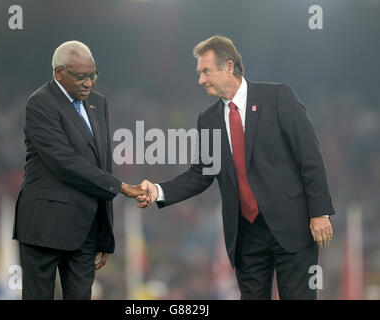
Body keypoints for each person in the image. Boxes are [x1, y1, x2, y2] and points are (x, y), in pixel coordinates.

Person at [137, 35, 334, 300]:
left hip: (293, 226)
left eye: (206, 71)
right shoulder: (208, 119)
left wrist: (320, 212)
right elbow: (200, 175)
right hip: (246, 235)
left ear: (229, 67)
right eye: (199, 73)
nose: (200, 80)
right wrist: (157, 191)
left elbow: (309, 155)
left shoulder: (277, 96)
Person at [13, 41, 147, 300]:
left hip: (85, 230)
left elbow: (102, 161)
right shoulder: (40, 103)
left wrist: (104, 234)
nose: (89, 83)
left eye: (92, 75)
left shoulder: (98, 103)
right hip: (44, 226)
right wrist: (120, 186)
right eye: (81, 76)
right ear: (58, 72)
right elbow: (65, 161)